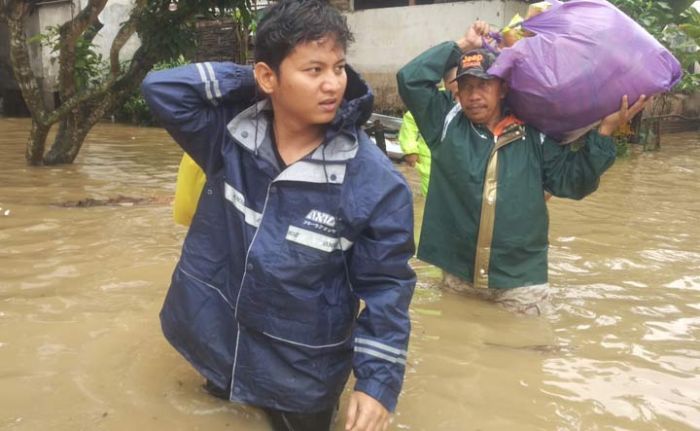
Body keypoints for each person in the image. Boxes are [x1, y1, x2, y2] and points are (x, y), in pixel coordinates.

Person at [141, 1, 416, 430]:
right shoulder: (229, 138)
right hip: (217, 347)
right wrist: (255, 83)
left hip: (301, 376)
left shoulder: (373, 182)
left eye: (339, 68)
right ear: (269, 75)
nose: (333, 85)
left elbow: (387, 290)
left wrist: (376, 383)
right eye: (313, 70)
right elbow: (162, 88)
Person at [396, 21, 647, 315]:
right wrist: (463, 45)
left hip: (520, 281)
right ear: (457, 93)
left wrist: (605, 132)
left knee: (528, 352)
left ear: (502, 89)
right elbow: (410, 79)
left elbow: (573, 182)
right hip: (458, 274)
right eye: (466, 87)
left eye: (483, 85)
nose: (474, 95)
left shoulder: (535, 134)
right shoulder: (444, 123)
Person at [398, 67, 458, 196]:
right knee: (431, 195)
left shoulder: (471, 101)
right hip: (430, 160)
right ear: (446, 83)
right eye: (455, 81)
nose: (459, 85)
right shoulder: (433, 100)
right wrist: (410, 150)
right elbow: (410, 121)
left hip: (457, 161)